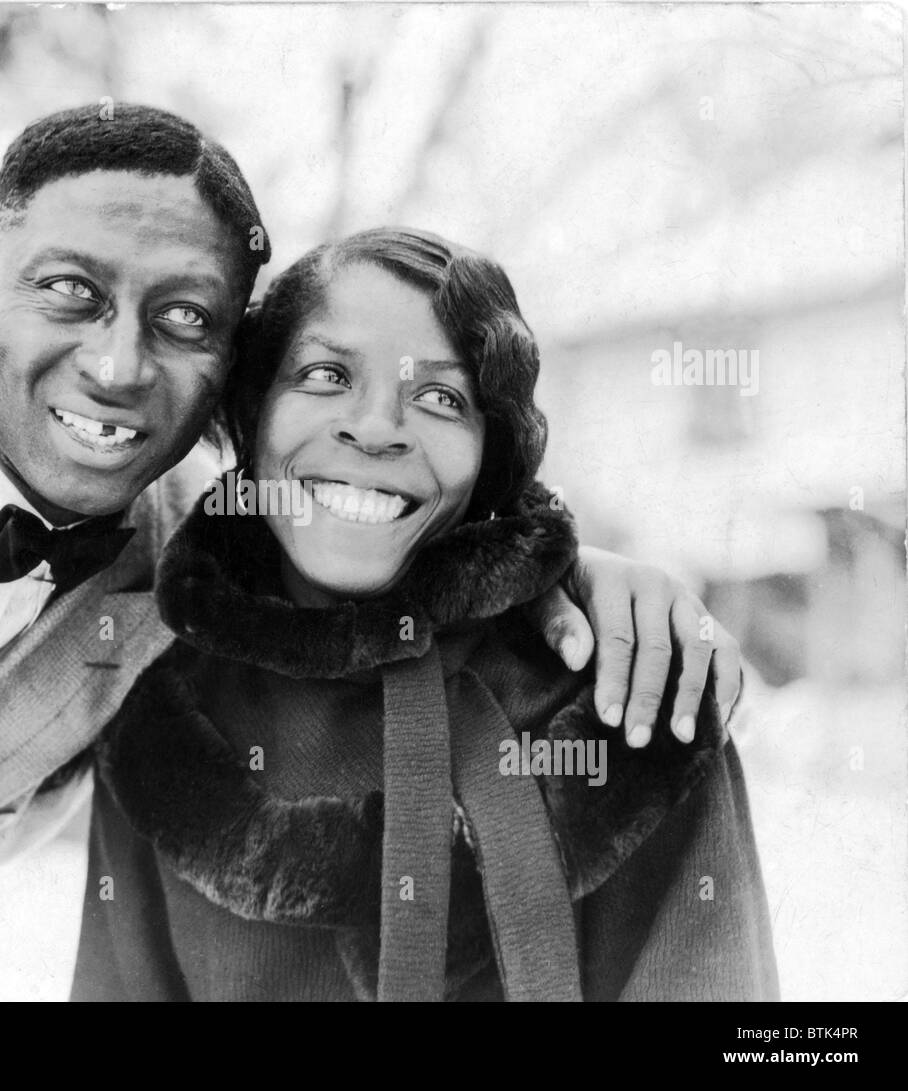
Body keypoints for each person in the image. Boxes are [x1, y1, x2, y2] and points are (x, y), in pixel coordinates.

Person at [0, 105, 741, 1002]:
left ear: (221, 392)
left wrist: (568, 569)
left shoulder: (209, 555)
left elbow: (383, 508)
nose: (117, 365)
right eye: (70, 290)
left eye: (187, 319)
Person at [73, 228, 776, 1002]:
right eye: (325, 374)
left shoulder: (631, 690)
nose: (376, 428)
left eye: (442, 398)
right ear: (251, 414)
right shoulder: (163, 723)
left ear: (491, 457)